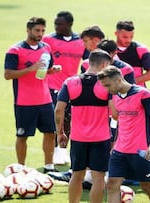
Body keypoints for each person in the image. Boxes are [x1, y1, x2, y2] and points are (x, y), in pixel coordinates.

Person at [97, 66, 150, 203]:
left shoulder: (144, 94)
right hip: (120, 150)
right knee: (112, 184)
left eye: (108, 85)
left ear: (119, 79)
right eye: (104, 86)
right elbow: (121, 122)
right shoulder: (115, 96)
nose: (106, 90)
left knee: (147, 186)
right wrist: (114, 144)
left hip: (140, 150)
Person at [55, 50, 112, 203]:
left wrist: (60, 133)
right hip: (101, 138)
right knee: (98, 176)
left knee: (77, 174)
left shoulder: (70, 82)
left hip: (78, 137)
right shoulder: (107, 84)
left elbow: (59, 110)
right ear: (104, 65)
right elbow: (116, 113)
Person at [4, 17, 60, 173]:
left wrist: (52, 70)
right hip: (24, 101)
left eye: (42, 30)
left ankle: (49, 166)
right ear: (28, 30)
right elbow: (8, 74)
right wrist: (31, 68)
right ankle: (21, 167)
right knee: (22, 136)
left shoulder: (46, 48)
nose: (40, 34)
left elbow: (46, 69)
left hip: (45, 99)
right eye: (37, 30)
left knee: (50, 132)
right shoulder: (15, 50)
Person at [42, 11, 89, 165]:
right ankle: (55, 151)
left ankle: (62, 150)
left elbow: (87, 63)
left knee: (69, 119)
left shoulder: (81, 41)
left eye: (59, 24)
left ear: (69, 24)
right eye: (55, 23)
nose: (56, 27)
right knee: (56, 118)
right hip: (51, 86)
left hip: (71, 86)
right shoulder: (48, 40)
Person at [115, 20, 150, 87]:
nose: (128, 40)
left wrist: (130, 83)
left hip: (137, 92)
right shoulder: (108, 49)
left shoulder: (141, 49)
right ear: (116, 33)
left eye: (131, 37)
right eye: (125, 37)